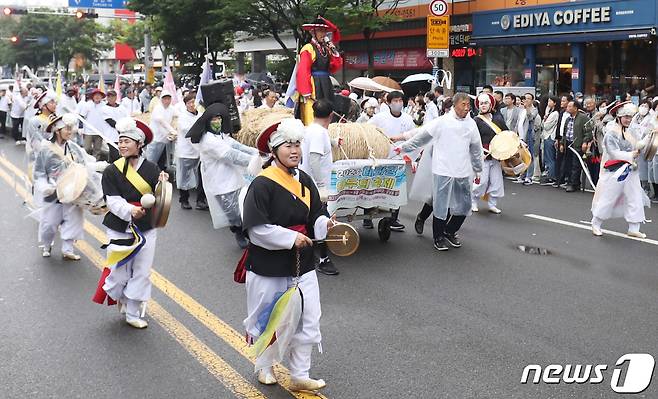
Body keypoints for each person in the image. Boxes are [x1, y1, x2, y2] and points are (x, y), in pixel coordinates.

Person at [242, 117, 332, 392]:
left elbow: (316, 213)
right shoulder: (262, 184)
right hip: (269, 264)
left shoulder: (304, 180)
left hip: (302, 263)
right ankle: (265, 365)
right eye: (287, 145)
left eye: (297, 144)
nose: (294, 150)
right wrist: (291, 237)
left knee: (308, 316)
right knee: (270, 317)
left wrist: (325, 224)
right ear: (274, 150)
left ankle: (299, 373)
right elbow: (257, 230)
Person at [93, 117, 168, 329]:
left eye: (127, 141)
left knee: (142, 270)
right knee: (119, 271)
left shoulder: (153, 170)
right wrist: (130, 210)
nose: (122, 145)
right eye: (120, 141)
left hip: (146, 226)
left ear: (139, 144)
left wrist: (163, 185)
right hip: (120, 225)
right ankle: (122, 297)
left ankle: (133, 310)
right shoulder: (111, 170)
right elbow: (112, 200)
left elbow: (161, 198)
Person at [395, 93, 483, 251]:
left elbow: (476, 148)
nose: (467, 107)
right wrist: (402, 148)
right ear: (454, 105)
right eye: (463, 104)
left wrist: (478, 169)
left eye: (468, 104)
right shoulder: (442, 122)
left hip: (462, 170)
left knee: (464, 205)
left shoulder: (471, 124)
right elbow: (421, 138)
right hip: (443, 169)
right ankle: (438, 237)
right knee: (441, 205)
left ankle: (450, 231)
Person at [186, 102, 259, 249]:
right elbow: (231, 155)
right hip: (220, 182)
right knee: (233, 214)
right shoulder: (208, 140)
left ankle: (249, 235)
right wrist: (256, 160)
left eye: (219, 119)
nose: (217, 122)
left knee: (243, 208)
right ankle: (238, 231)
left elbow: (237, 146)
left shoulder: (221, 136)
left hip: (234, 178)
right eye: (213, 119)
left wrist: (257, 152)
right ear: (207, 121)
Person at [33, 114, 106, 259]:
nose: (70, 131)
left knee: (73, 220)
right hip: (53, 193)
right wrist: (45, 187)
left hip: (73, 191)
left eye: (71, 128)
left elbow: (83, 165)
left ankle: (67, 249)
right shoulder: (45, 149)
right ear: (57, 130)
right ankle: (47, 244)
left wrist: (99, 166)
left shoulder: (73, 147)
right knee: (49, 223)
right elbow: (39, 173)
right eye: (67, 128)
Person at [591, 102, 650, 238]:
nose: (629, 119)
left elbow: (640, 144)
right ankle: (596, 223)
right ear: (619, 116)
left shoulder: (631, 131)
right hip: (614, 171)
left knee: (635, 197)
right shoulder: (611, 133)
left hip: (631, 170)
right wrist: (630, 155)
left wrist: (648, 139)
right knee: (609, 198)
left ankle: (634, 227)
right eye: (626, 117)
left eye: (630, 117)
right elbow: (613, 152)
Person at [299, 99, 339, 276]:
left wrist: (333, 142)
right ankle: (323, 259)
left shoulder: (308, 128)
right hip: (314, 185)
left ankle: (308, 253)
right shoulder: (320, 133)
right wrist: (321, 186)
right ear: (331, 116)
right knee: (322, 219)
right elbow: (314, 158)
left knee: (310, 219)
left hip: (303, 182)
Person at [367, 90, 416, 231]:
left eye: (400, 100)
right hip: (380, 158)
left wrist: (413, 158)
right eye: (395, 101)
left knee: (396, 189)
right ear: (388, 103)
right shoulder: (380, 118)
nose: (398, 103)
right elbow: (368, 130)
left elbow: (413, 138)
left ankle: (393, 218)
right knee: (374, 188)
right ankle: (368, 217)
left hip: (398, 160)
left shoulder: (407, 119)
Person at [296, 16, 343, 125]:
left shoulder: (326, 49)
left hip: (326, 82)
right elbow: (303, 70)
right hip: (314, 84)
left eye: (324, 31)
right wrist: (305, 90)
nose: (323, 34)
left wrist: (334, 52)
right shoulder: (308, 48)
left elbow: (334, 67)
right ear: (313, 32)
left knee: (328, 109)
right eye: (320, 31)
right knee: (313, 110)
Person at [471, 93, 508, 213]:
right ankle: (473, 201)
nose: (483, 105)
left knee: (496, 181)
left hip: (496, 156)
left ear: (491, 104)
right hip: (482, 156)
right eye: (481, 103)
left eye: (486, 103)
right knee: (481, 181)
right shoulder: (476, 121)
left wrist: (520, 143)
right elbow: (472, 139)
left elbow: (506, 134)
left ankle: (492, 204)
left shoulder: (498, 119)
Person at [176, 93, 206, 210]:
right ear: (186, 105)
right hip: (186, 151)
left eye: (193, 102)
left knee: (201, 177)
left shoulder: (201, 115)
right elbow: (188, 132)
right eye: (189, 103)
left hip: (200, 151)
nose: (192, 105)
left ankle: (200, 200)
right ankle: (184, 199)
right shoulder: (183, 117)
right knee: (184, 176)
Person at [557, 100, 590, 192]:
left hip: (577, 144)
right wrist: (562, 143)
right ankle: (572, 182)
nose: (568, 108)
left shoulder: (583, 118)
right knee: (568, 164)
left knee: (576, 165)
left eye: (570, 106)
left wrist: (585, 142)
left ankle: (573, 183)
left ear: (575, 108)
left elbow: (588, 131)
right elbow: (564, 133)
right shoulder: (568, 119)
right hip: (568, 143)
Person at [146, 90, 177, 170]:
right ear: (161, 99)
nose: (167, 101)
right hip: (155, 139)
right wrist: (172, 131)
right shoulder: (158, 108)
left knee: (162, 163)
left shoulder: (172, 108)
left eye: (168, 99)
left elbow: (178, 115)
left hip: (165, 140)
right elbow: (162, 121)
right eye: (165, 99)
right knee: (151, 162)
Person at [79, 88, 107, 161]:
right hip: (88, 131)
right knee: (87, 148)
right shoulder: (87, 105)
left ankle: (96, 164)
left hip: (99, 131)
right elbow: (81, 116)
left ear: (101, 97)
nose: (97, 97)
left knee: (97, 150)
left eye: (99, 95)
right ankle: (85, 162)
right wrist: (80, 127)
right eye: (95, 95)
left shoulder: (105, 105)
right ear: (92, 96)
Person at [102, 90, 129, 162]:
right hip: (111, 135)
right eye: (109, 97)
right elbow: (110, 121)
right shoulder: (104, 108)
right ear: (107, 98)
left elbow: (126, 118)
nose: (111, 98)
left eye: (113, 96)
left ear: (116, 97)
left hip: (122, 134)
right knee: (115, 154)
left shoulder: (122, 107)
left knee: (118, 154)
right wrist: (120, 128)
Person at [539, 96, 560, 186]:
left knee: (550, 158)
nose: (548, 103)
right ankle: (550, 174)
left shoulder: (555, 113)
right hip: (547, 136)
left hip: (549, 136)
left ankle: (551, 176)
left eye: (550, 101)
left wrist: (545, 118)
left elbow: (546, 126)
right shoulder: (551, 112)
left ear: (555, 103)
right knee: (548, 157)